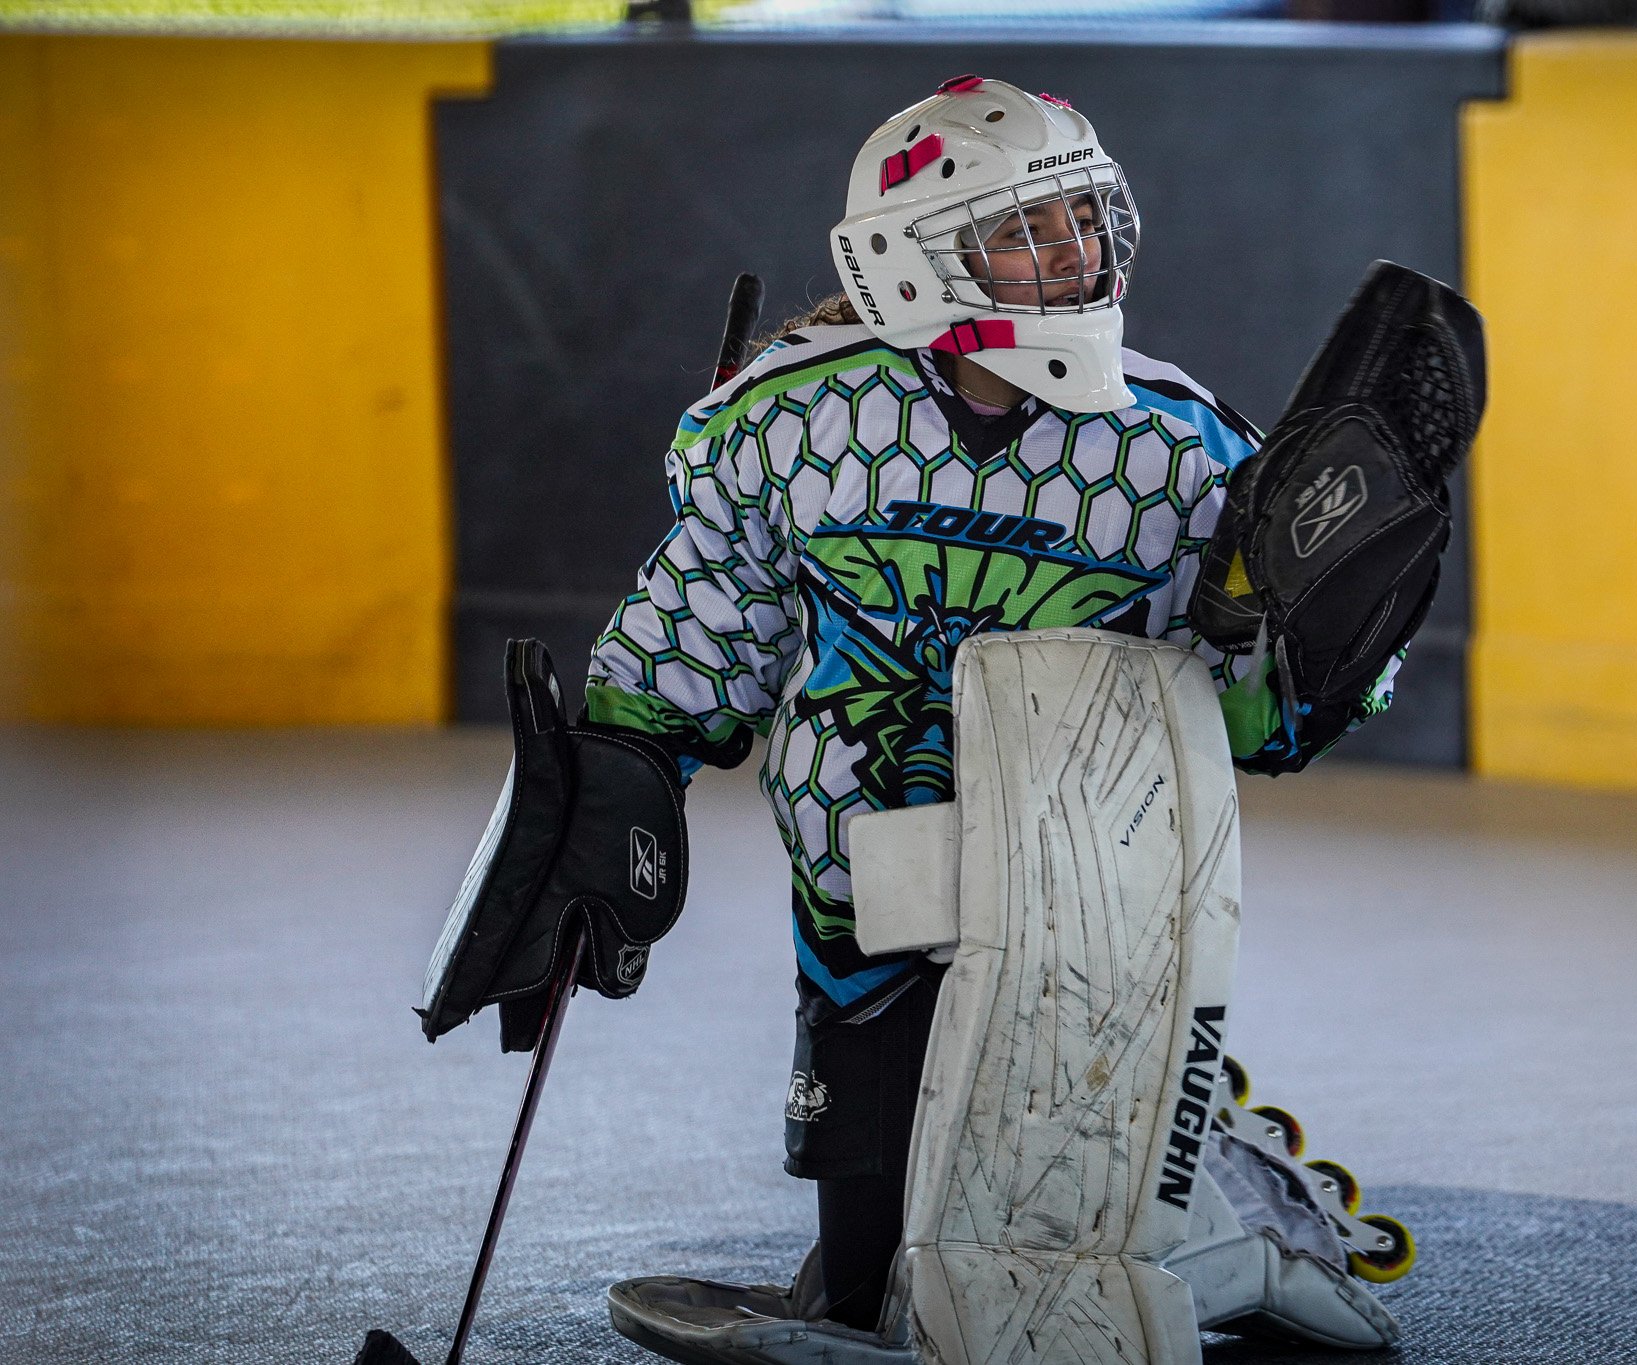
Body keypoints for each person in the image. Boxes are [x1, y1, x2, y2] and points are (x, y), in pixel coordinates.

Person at [584, 75, 1406, 1336]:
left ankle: (1220, 1212)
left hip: (1081, 874)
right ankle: (870, 1286)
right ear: (909, 267)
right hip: (856, 862)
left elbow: (1248, 723)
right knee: (866, 1211)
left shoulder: (1179, 452)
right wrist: (608, 785)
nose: (1071, 252)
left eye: (1081, 217)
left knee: (1055, 1162)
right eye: (1023, 230)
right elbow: (698, 629)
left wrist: (1316, 650)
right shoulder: (788, 424)